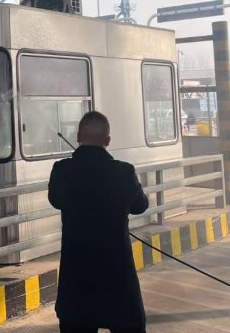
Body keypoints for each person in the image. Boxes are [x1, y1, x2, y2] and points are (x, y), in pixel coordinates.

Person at [48, 111, 149, 333]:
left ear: (78, 137)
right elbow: (140, 206)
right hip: (118, 280)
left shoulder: (61, 170)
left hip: (76, 283)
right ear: (107, 141)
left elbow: (55, 200)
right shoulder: (124, 171)